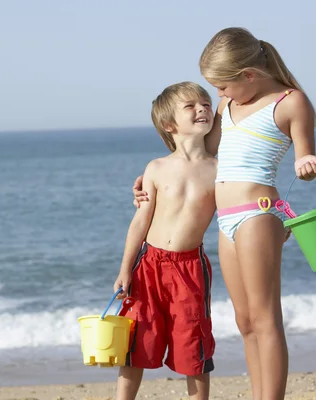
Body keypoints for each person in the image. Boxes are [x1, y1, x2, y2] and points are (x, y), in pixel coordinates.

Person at [133, 28, 316, 400]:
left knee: (266, 319)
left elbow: (305, 157)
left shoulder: (289, 102)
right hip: (227, 219)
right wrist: (152, 178)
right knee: (245, 321)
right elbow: (200, 153)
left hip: (258, 214)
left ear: (248, 74)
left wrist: (308, 164)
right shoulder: (228, 107)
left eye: (222, 86)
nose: (218, 95)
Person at [113, 81, 217, 400]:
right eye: (191, 106)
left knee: (193, 342)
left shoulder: (219, 169)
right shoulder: (156, 168)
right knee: (137, 338)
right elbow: (140, 221)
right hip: (150, 263)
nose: (202, 108)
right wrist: (125, 269)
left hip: (190, 268)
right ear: (170, 124)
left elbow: (237, 210)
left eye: (205, 103)